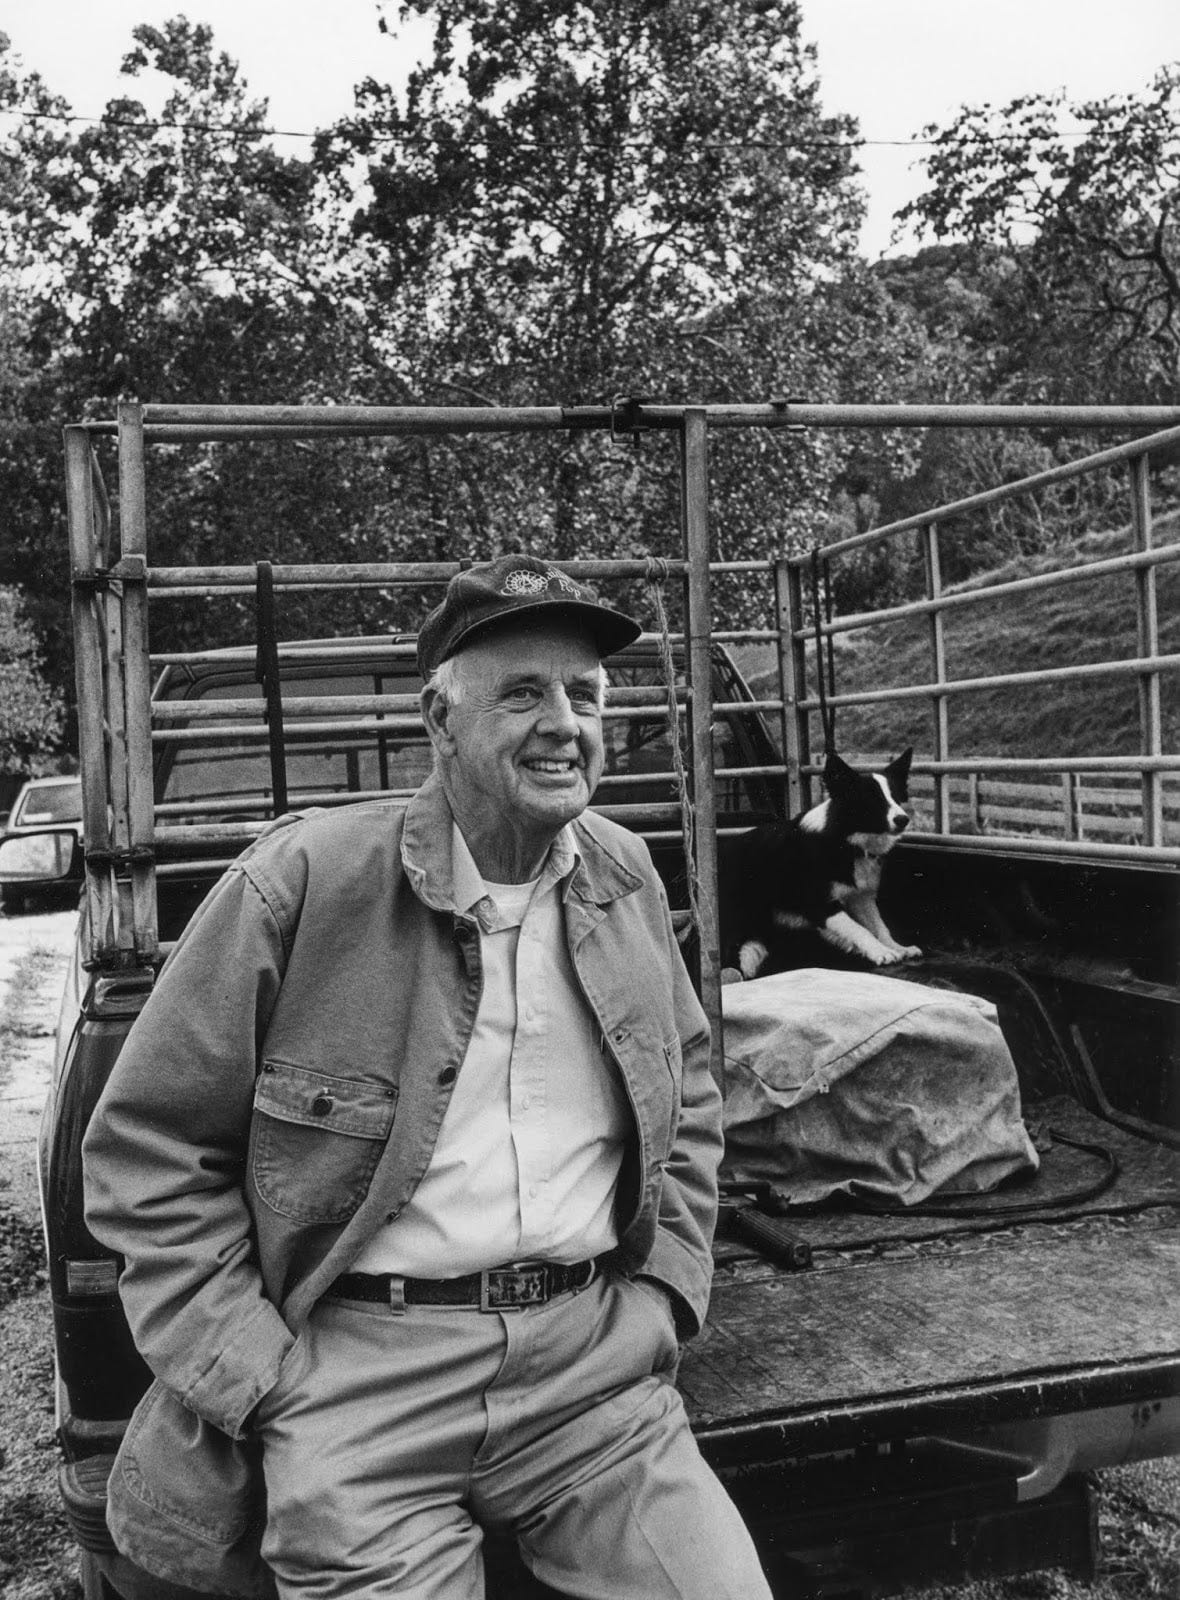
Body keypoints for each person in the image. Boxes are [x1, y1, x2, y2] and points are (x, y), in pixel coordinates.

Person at [83, 555, 773, 1600]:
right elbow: (149, 1151)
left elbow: (690, 1090)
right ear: (439, 720)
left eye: (585, 695)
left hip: (593, 1373)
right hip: (360, 1381)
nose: (564, 724)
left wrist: (664, 1294)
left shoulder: (622, 872)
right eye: (522, 693)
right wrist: (264, 1376)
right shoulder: (301, 883)